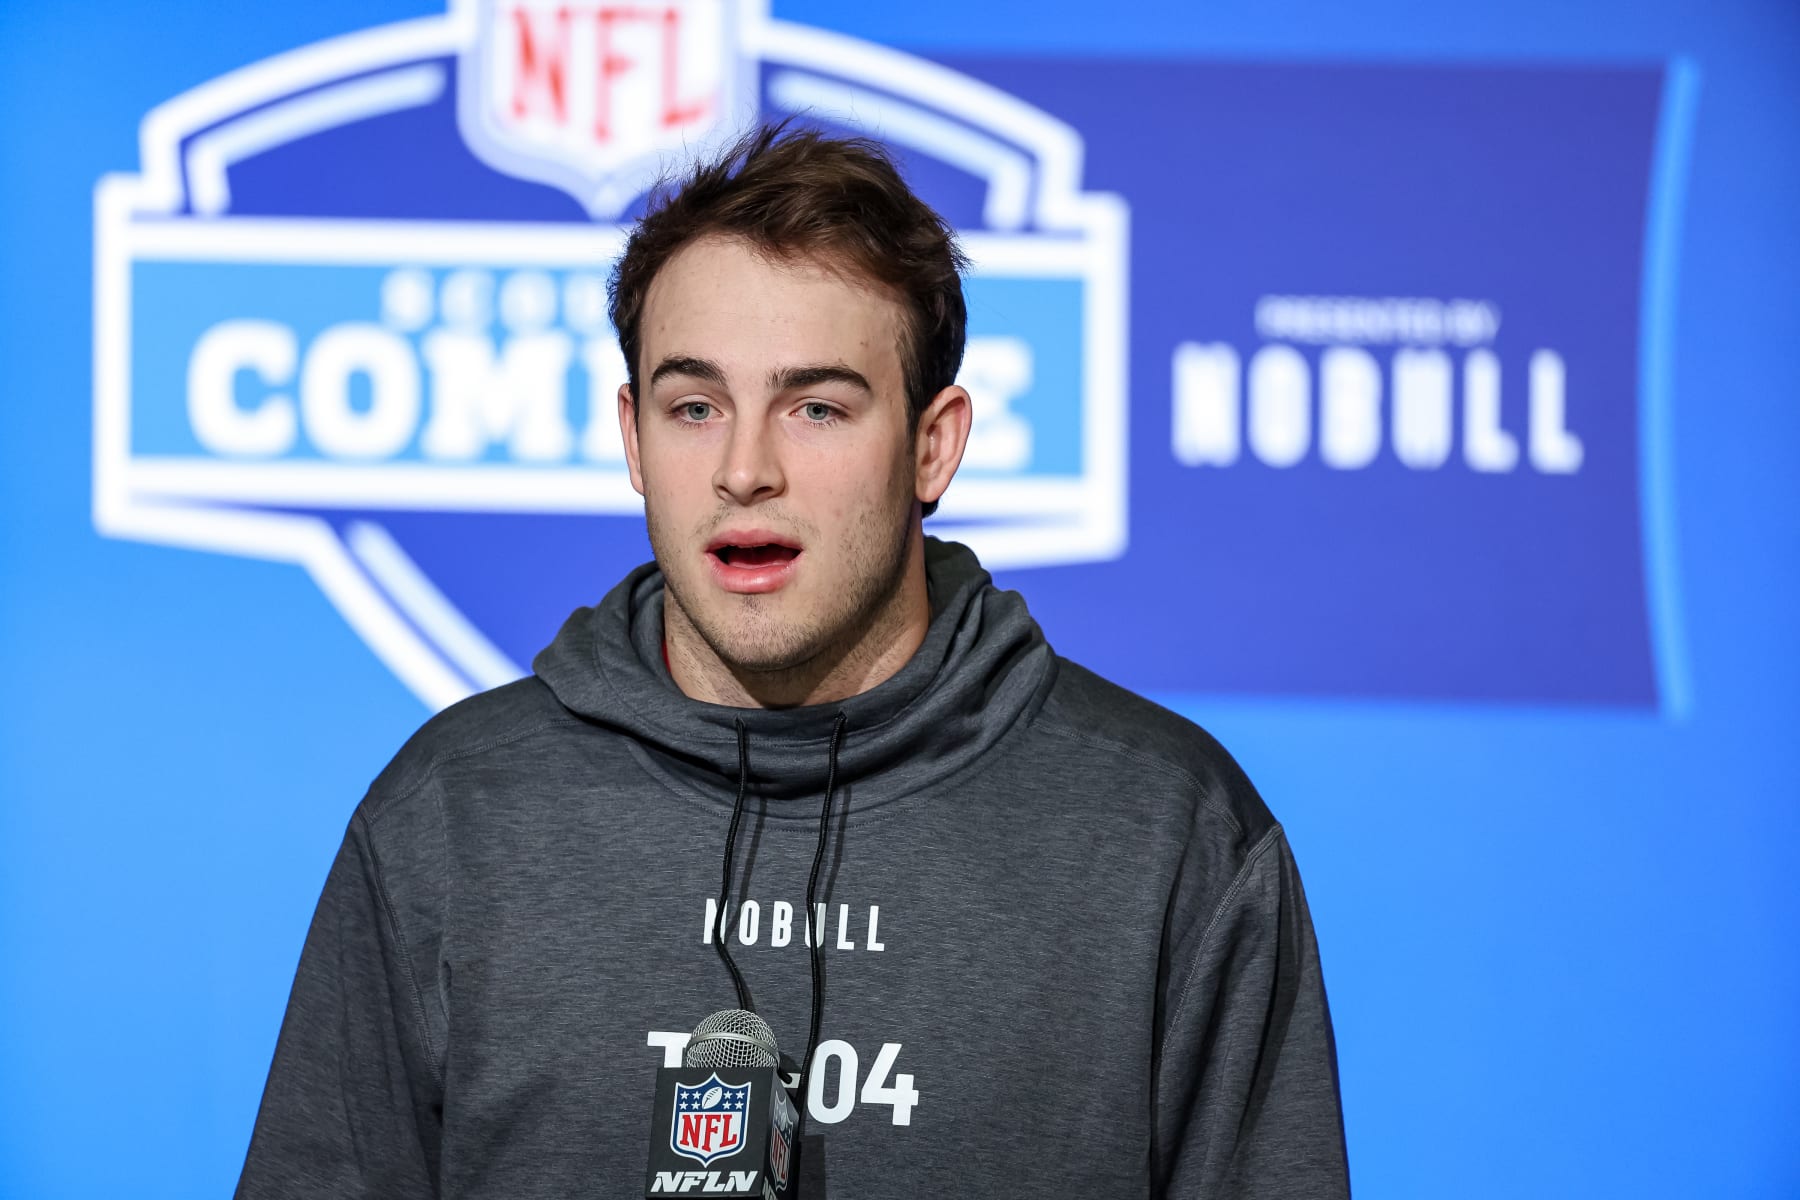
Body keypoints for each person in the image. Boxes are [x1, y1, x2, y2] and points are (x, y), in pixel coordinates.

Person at [236, 125, 1350, 1199]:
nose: (743, 468)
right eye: (694, 405)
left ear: (933, 444)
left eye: (815, 407)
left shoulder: (1166, 830)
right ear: (632, 437)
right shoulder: (452, 814)